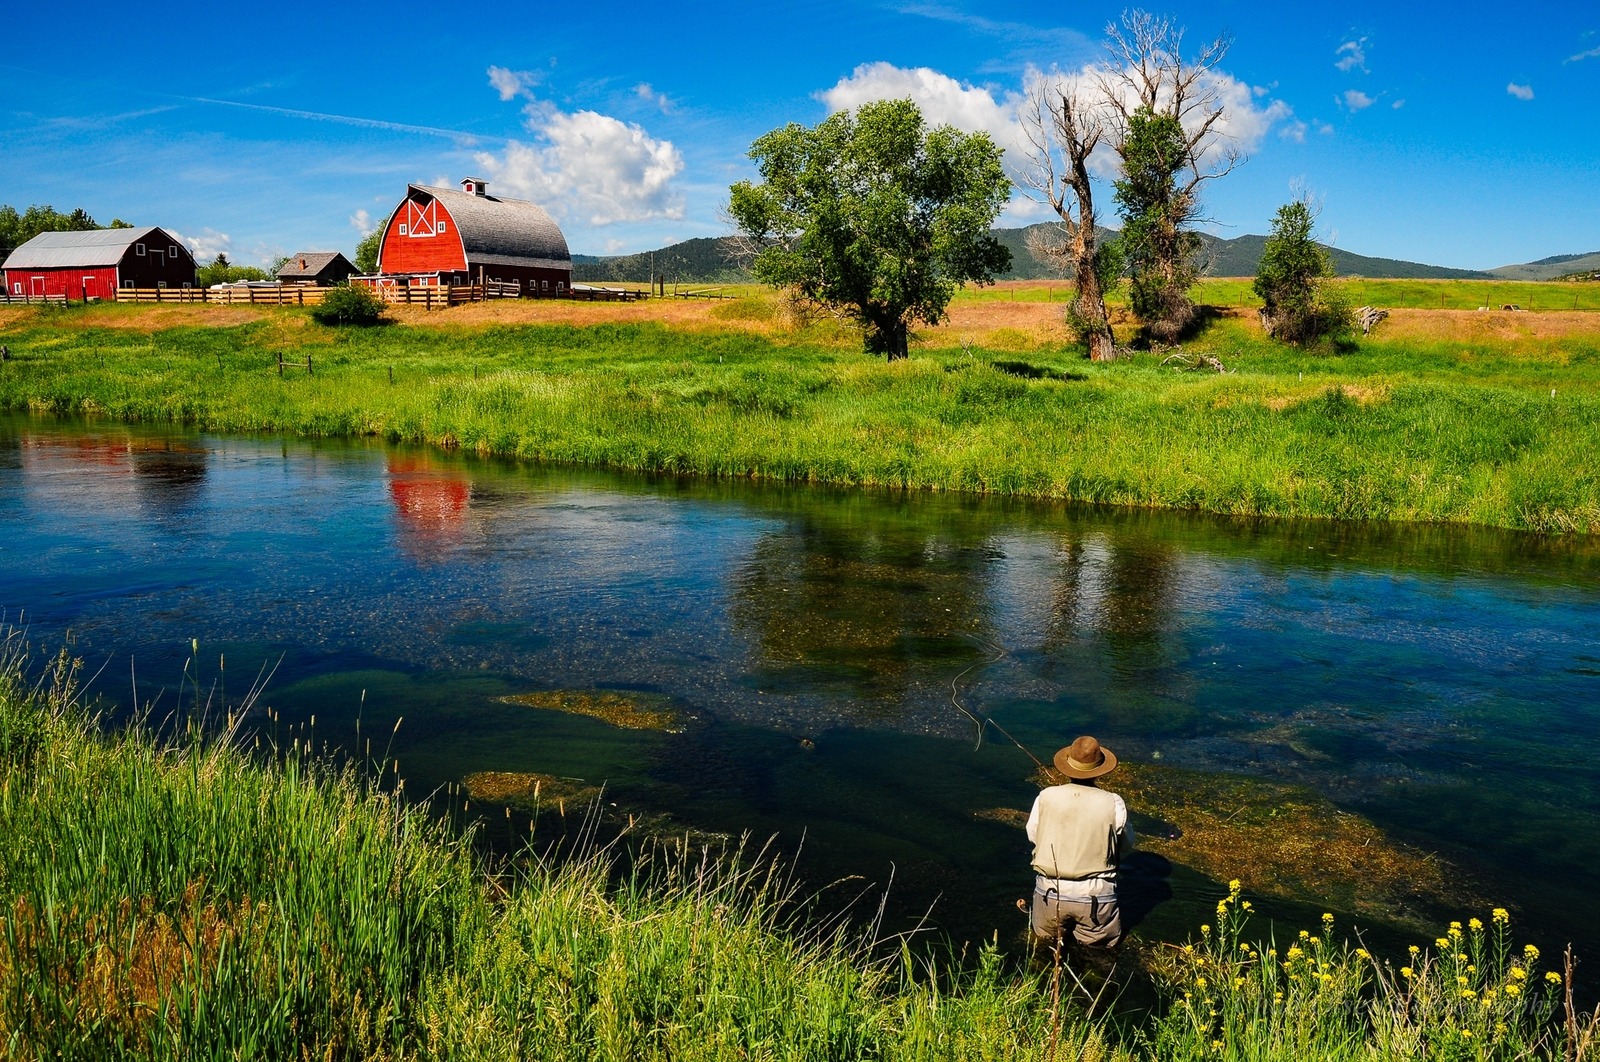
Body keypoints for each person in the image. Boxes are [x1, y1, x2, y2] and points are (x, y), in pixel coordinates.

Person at [1024, 735, 1134, 948]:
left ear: (1067, 766)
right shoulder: (1114, 802)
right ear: (1100, 770)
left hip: (1049, 891)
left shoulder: (1045, 796)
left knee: (1045, 950)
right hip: (1096, 897)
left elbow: (1033, 835)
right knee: (1098, 954)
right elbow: (1126, 844)